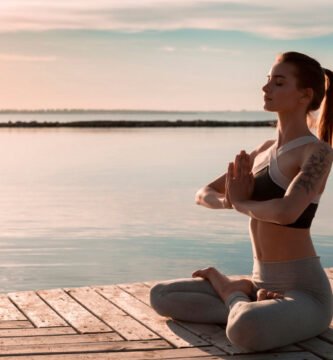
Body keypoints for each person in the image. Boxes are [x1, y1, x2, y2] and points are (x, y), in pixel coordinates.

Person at [150, 51, 333, 352]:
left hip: (305, 293)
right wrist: (227, 201)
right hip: (261, 281)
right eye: (267, 81)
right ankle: (246, 295)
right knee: (161, 296)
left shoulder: (317, 153)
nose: (266, 89)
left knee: (245, 330)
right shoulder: (262, 150)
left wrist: (239, 203)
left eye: (278, 82)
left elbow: (287, 212)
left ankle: (231, 292)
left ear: (305, 94)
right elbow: (203, 193)